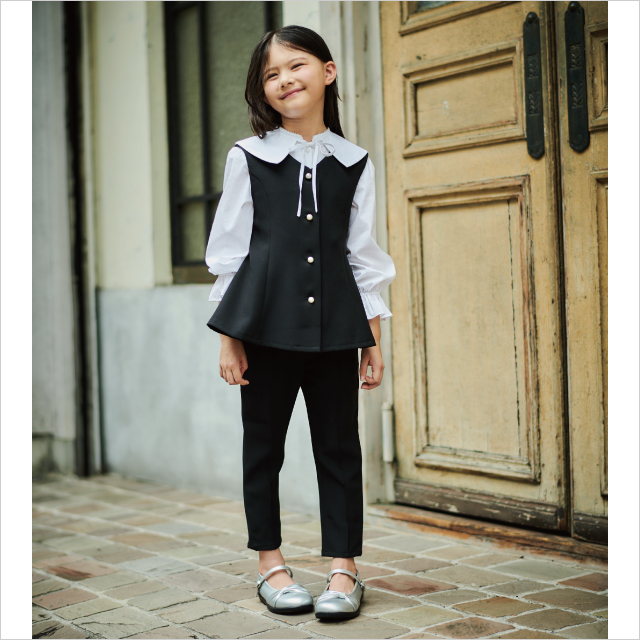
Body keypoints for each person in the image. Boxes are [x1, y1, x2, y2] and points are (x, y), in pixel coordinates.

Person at [204, 25, 395, 620]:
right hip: (263, 331)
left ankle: (344, 568)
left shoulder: (354, 162)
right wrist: (230, 339)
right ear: (262, 89)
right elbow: (230, 253)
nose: (284, 80)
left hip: (336, 330)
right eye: (271, 74)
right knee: (263, 447)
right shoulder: (249, 157)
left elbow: (361, 255)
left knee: (339, 448)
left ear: (328, 72)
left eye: (296, 65)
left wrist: (372, 338)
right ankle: (271, 563)